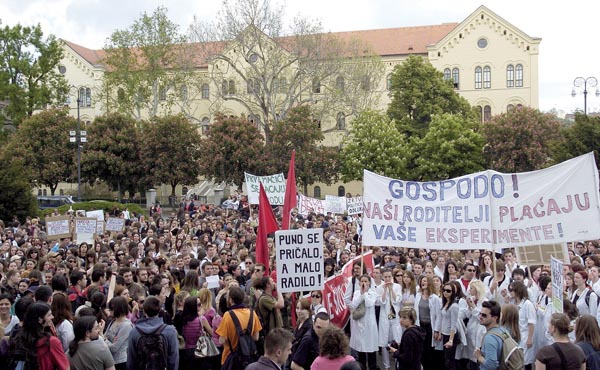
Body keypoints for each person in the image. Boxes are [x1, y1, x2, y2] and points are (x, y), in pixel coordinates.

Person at [8, 302, 70, 370]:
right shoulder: (51, 342)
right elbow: (65, 367)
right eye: (49, 315)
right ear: (39, 319)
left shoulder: (19, 338)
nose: (52, 317)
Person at [127, 296, 179, 370]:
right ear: (160, 310)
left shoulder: (134, 332)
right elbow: (173, 359)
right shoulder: (170, 331)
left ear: (144, 311)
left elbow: (131, 361)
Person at [215, 286, 262, 366]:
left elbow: (221, 340)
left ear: (230, 300)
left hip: (230, 358)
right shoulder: (252, 313)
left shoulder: (228, 315)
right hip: (248, 357)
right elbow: (256, 337)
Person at [348, 274, 379, 370]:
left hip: (369, 324)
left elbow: (370, 303)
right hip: (359, 323)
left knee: (370, 350)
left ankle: (372, 367)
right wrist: (361, 294)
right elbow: (353, 305)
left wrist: (365, 293)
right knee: (360, 349)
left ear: (369, 282)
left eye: (366, 281)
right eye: (362, 281)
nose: (364, 283)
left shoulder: (373, 293)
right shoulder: (357, 293)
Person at [376, 268, 402, 370]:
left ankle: (398, 363)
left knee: (397, 339)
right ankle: (386, 365)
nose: (387, 279)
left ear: (392, 277)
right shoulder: (379, 288)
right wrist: (385, 290)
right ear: (383, 277)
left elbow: (397, 300)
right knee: (384, 341)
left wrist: (391, 290)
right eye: (385, 277)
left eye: (389, 277)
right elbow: (380, 302)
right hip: (384, 317)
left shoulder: (397, 286)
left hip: (395, 317)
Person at [474, 300, 504, 370]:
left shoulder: (490, 338)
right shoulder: (503, 330)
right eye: (480, 314)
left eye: (484, 315)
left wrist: (479, 357)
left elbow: (492, 366)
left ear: (495, 318)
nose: (480, 317)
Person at [104, 296, 133, 370]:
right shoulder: (113, 321)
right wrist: (105, 339)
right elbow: (104, 336)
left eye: (111, 309)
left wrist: (105, 340)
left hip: (121, 362)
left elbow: (114, 348)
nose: (110, 311)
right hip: (110, 360)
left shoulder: (126, 325)